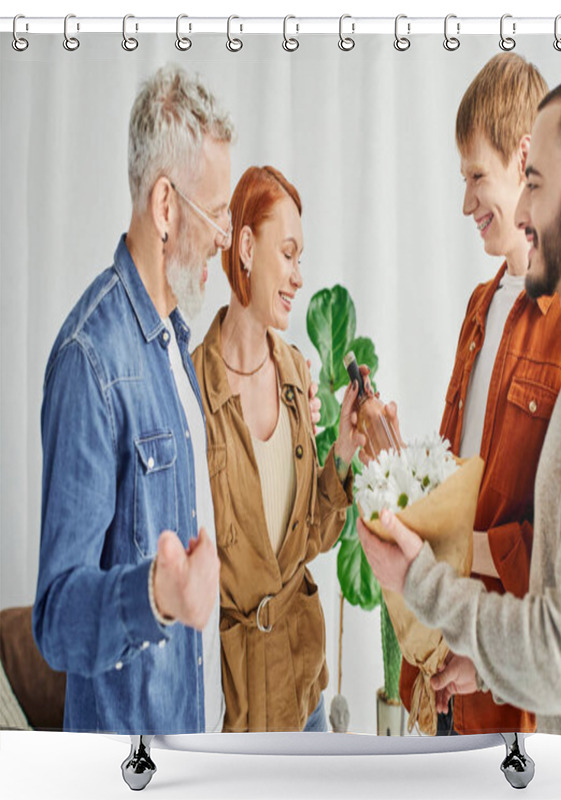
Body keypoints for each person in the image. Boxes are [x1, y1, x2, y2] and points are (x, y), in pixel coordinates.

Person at [358, 68, 561, 737]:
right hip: (474, 663)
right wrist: (401, 477)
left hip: (525, 704)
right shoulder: (483, 312)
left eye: (529, 184)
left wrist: (429, 571)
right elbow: (474, 493)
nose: (503, 212)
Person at [33, 66, 234, 733]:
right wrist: (155, 595)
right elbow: (58, 619)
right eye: (216, 215)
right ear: (166, 206)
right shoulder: (89, 361)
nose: (223, 239)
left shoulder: (175, 344)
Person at [397, 53, 561, 735]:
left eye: (476, 176)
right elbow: (458, 477)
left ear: (527, 158)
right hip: (451, 670)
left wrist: (457, 554)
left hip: (516, 699)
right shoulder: (480, 306)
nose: (466, 202)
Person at [192, 166, 364, 732]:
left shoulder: (295, 374)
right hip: (230, 705)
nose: (297, 276)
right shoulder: (191, 386)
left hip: (303, 689)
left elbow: (310, 534)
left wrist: (342, 453)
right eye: (287, 254)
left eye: (300, 258)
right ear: (245, 246)